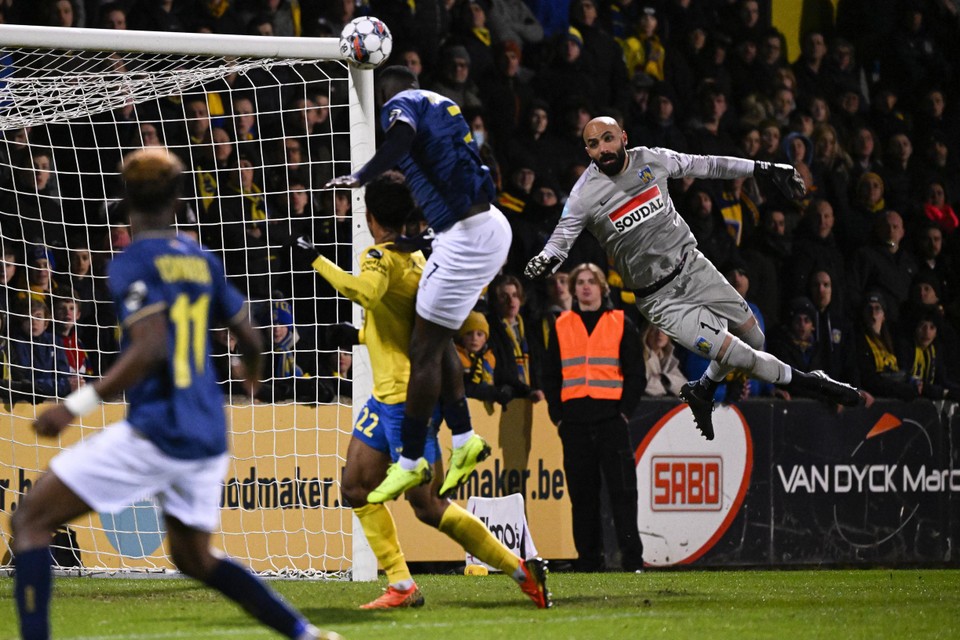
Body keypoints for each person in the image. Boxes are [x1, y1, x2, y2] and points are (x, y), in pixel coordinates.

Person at [10, 149, 339, 640]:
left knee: (30, 520)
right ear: (178, 199)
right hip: (207, 430)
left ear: (124, 201)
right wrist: (251, 375)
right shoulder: (198, 258)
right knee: (194, 557)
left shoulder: (132, 261)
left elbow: (151, 347)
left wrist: (73, 405)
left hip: (159, 429)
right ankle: (305, 634)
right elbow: (251, 336)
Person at [296, 171, 550, 609]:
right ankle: (400, 583)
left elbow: (368, 295)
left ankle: (520, 569)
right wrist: (356, 338)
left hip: (404, 399)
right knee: (355, 487)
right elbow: (406, 325)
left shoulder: (378, 255)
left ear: (371, 216)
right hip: (389, 396)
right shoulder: (417, 258)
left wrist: (317, 260)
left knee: (429, 505)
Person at [525, 116, 863, 440]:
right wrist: (545, 258)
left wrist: (764, 168)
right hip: (660, 299)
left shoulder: (653, 160)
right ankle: (812, 383)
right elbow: (561, 237)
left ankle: (703, 390)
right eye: (594, 144)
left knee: (755, 339)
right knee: (741, 355)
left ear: (624, 138)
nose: (603, 148)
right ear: (589, 152)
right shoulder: (585, 193)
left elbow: (709, 165)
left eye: (608, 139)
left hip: (693, 266)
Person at [324, 65, 511, 502]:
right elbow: (446, 170)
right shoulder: (443, 106)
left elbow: (402, 138)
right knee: (435, 336)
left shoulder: (402, 105)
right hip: (478, 228)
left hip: (467, 239)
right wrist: (417, 239)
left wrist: (363, 175)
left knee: (422, 350)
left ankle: (409, 462)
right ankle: (464, 439)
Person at [542, 262, 645, 572]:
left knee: (623, 495)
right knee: (582, 497)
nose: (586, 287)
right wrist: (558, 417)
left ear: (603, 288)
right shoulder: (561, 324)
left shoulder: (620, 322)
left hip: (611, 420)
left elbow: (636, 374)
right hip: (574, 422)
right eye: (581, 282)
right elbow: (549, 374)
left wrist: (624, 414)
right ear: (573, 289)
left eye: (592, 281)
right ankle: (588, 561)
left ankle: (632, 560)